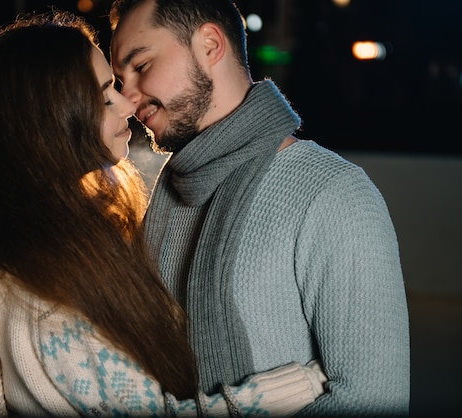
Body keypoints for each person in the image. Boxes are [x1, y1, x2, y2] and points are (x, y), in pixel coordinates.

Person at [0, 11, 328, 418]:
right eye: (105, 93)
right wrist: (282, 392)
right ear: (53, 120)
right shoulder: (46, 300)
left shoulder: (83, 240)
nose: (128, 103)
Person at [109, 0, 410, 416]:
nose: (127, 98)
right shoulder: (166, 196)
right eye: (119, 80)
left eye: (140, 66)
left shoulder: (333, 193)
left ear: (211, 44)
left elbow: (373, 399)